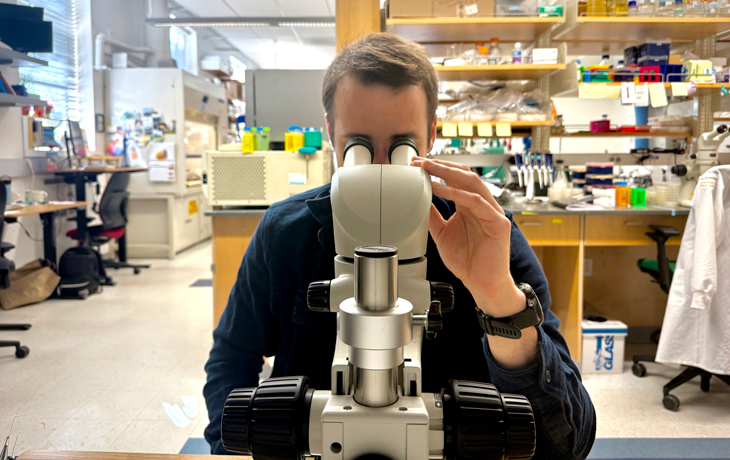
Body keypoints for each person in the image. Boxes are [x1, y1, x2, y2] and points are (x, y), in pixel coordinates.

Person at [204, 33, 596, 459]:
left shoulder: (482, 231)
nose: (378, 170)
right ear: (331, 133)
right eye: (358, 145)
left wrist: (498, 299)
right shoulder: (284, 232)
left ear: (429, 137)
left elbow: (568, 441)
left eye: (400, 147)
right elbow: (231, 361)